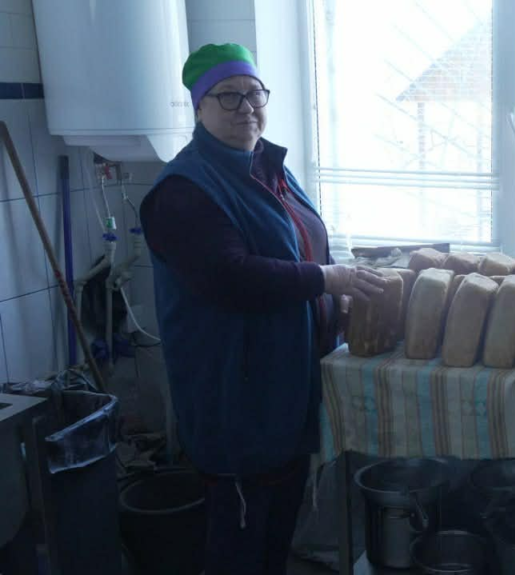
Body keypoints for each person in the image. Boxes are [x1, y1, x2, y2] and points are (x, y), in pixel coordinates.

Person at [140, 43, 386, 575]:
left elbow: (305, 243)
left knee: (276, 533)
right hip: (235, 395)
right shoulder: (184, 191)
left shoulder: (266, 165)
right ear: (199, 107)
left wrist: (337, 293)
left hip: (285, 386)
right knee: (240, 540)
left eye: (254, 92)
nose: (246, 106)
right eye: (228, 96)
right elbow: (232, 278)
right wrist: (327, 279)